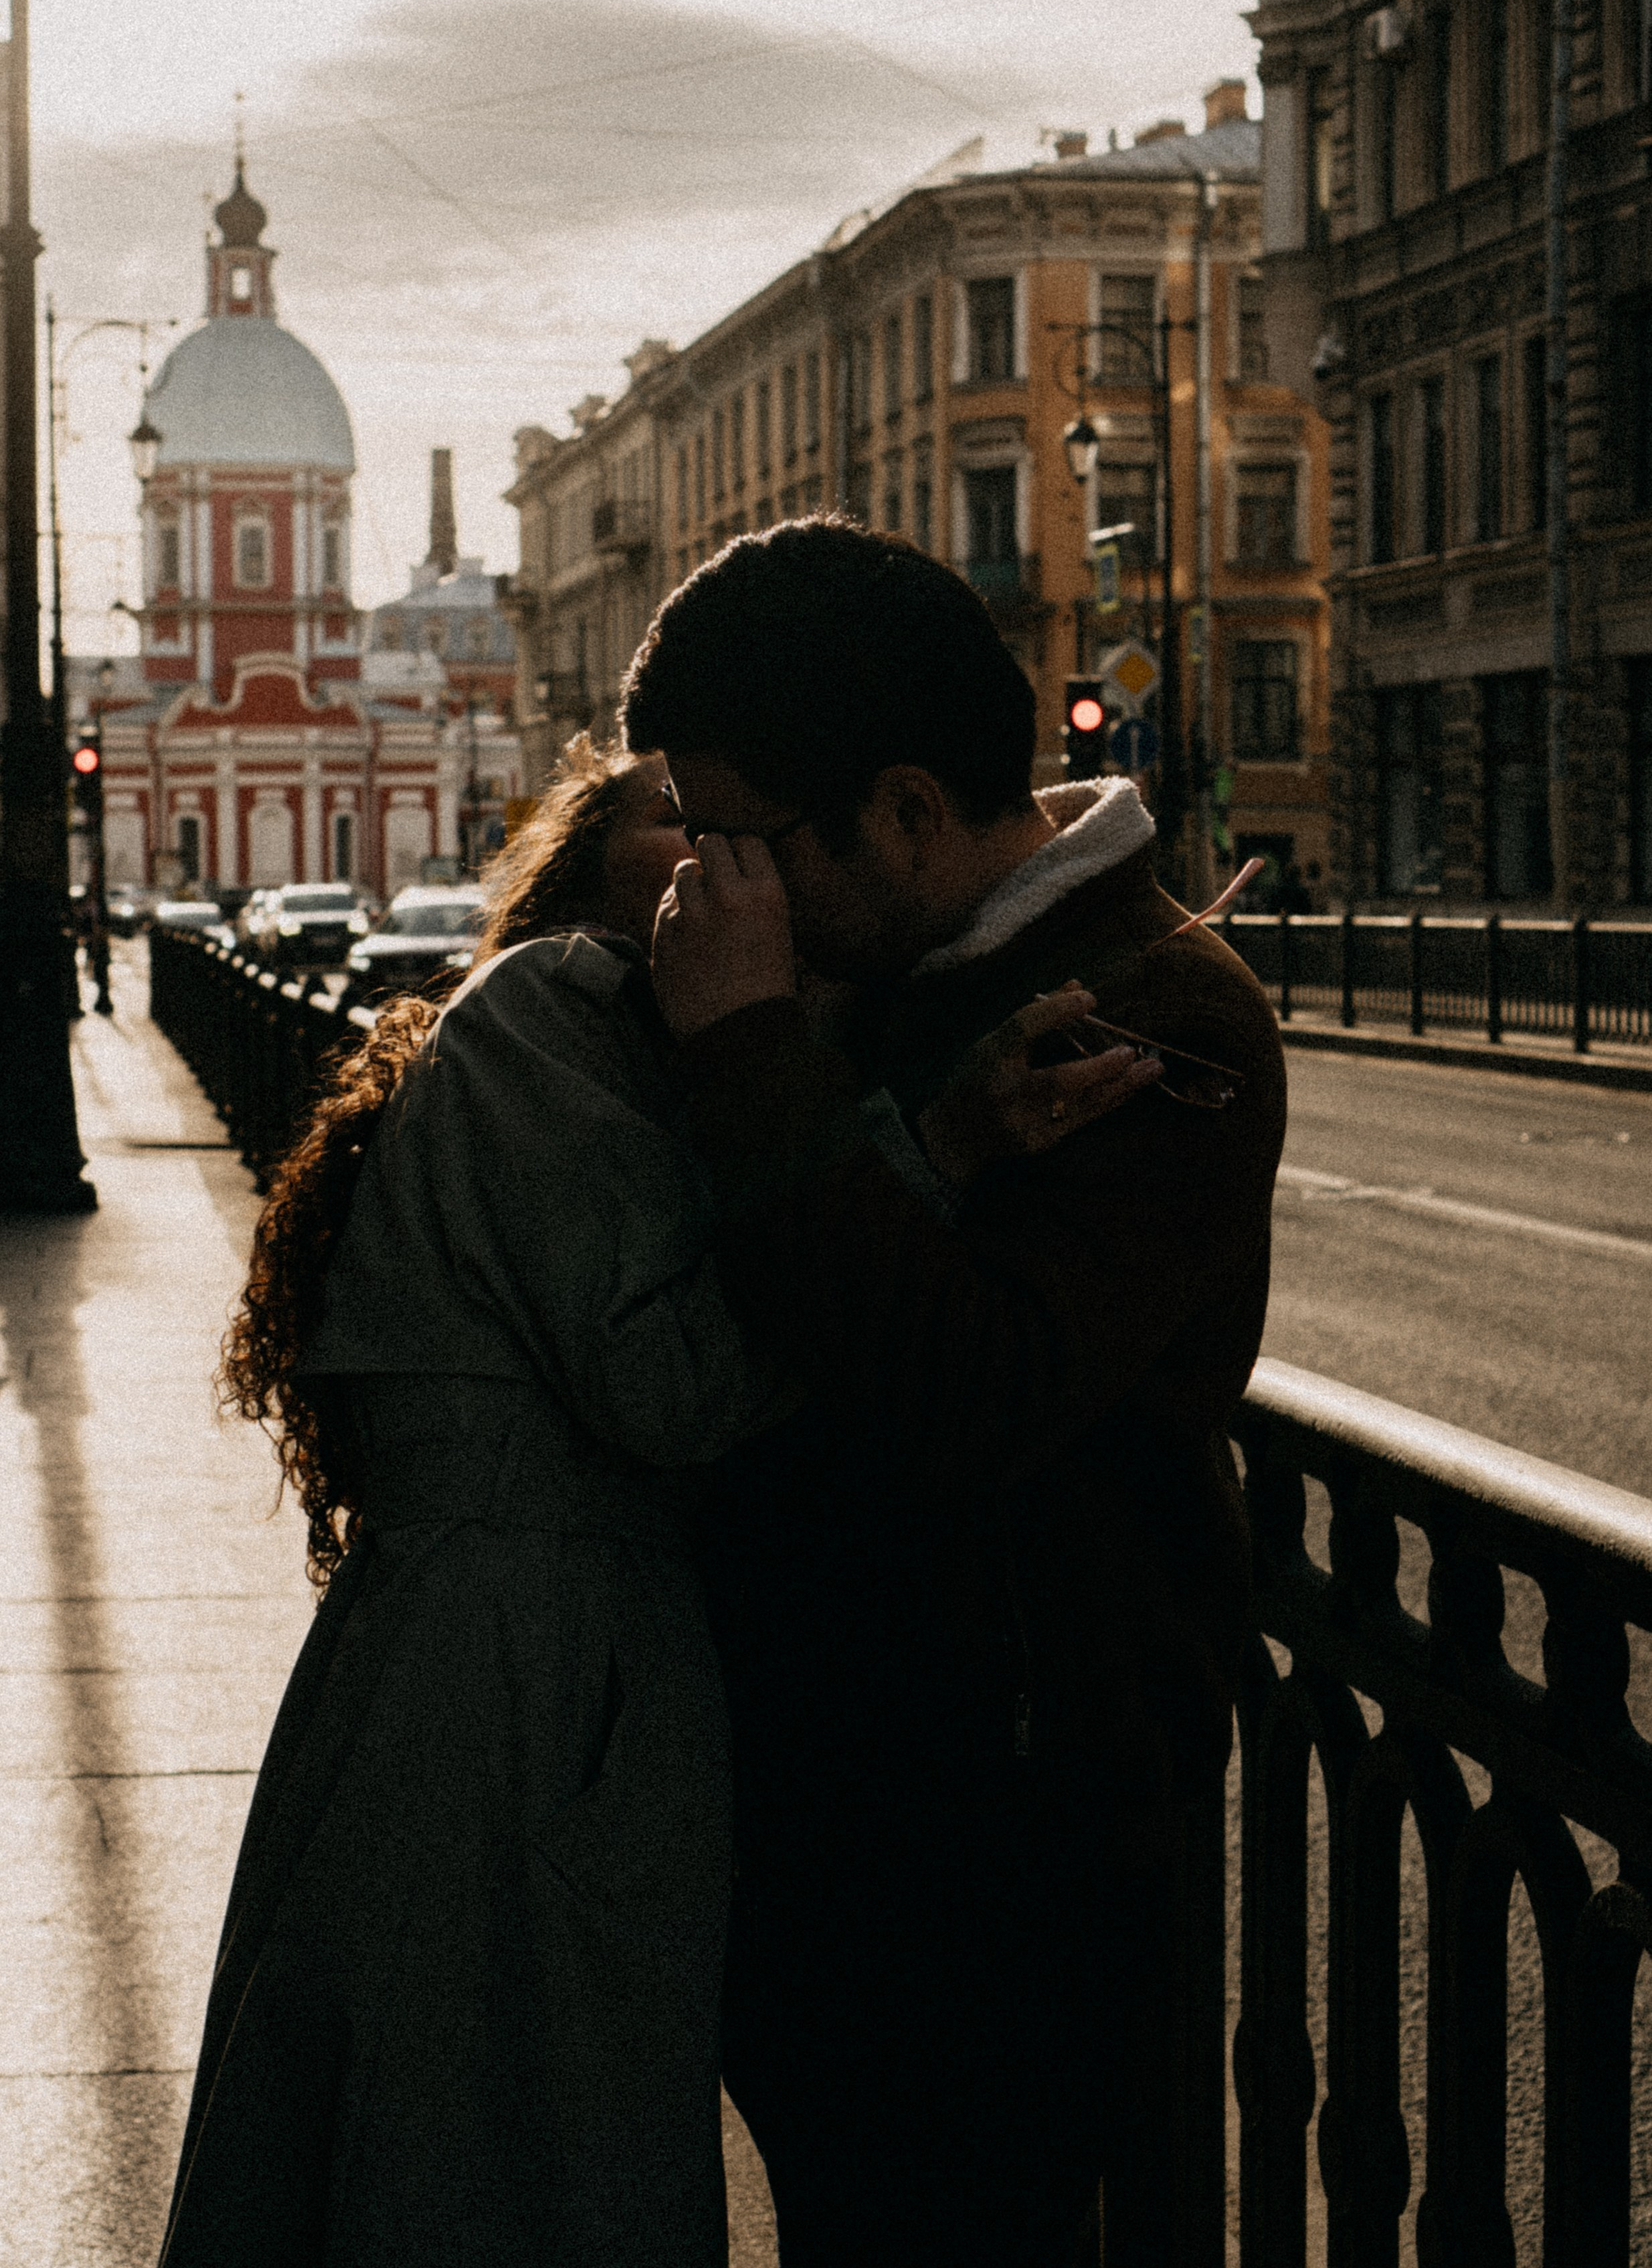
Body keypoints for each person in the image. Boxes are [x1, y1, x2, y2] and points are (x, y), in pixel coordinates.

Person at [159, 736, 1144, 2268]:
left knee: (494, 2130)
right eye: (676, 817)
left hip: (538, 1659)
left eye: (743, 821)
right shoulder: (559, 1004)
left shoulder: (634, 1033)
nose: (727, 850)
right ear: (586, 872)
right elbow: (669, 1383)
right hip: (515, 1670)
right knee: (493, 2144)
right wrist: (935, 1145)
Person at [621, 518, 1288, 2267]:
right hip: (847, 1800)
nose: (703, 883)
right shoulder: (894, 974)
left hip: (996, 1830)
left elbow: (963, 1397)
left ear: (905, 810)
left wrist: (749, 1058)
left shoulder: (1157, 1013)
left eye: (737, 836)